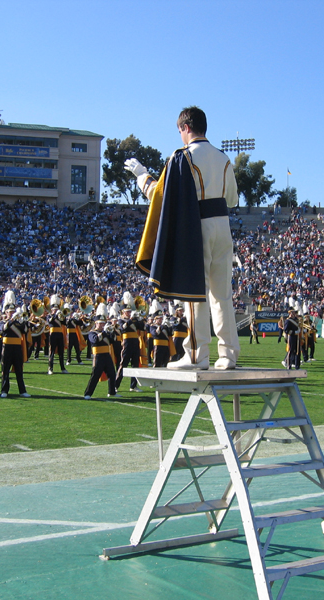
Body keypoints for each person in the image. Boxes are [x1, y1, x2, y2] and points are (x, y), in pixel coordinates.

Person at [127, 106, 240, 370]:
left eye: (179, 131)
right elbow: (232, 200)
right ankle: (229, 355)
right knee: (222, 295)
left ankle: (196, 355)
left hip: (196, 226)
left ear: (185, 128)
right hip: (223, 226)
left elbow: (161, 195)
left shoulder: (182, 157)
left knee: (194, 292)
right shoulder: (224, 157)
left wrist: (142, 177)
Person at [0, 292, 31, 399]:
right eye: (10, 312)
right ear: (6, 312)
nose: (12, 313)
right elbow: (1, 330)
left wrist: (24, 321)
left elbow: (25, 331)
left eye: (13, 311)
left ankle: (22, 391)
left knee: (19, 370)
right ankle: (4, 390)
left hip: (17, 348)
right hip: (6, 347)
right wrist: (11, 319)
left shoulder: (18, 322)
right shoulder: (3, 322)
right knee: (5, 370)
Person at [83, 316, 119, 400]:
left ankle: (112, 392)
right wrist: (104, 332)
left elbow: (112, 341)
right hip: (98, 356)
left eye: (103, 323)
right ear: (96, 324)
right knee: (95, 375)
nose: (102, 325)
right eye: (100, 323)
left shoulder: (106, 332)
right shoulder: (92, 333)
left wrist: (112, 332)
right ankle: (87, 393)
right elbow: (95, 340)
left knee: (112, 374)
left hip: (107, 355)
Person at [46, 296, 69, 375]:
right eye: (54, 309)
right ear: (52, 309)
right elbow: (50, 322)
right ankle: (50, 368)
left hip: (60, 334)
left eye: (56, 309)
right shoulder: (49, 316)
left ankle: (62, 368)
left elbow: (64, 323)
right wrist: (56, 315)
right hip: (52, 334)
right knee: (51, 352)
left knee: (61, 352)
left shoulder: (60, 316)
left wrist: (62, 316)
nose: (56, 310)